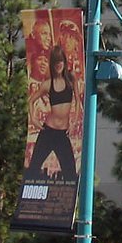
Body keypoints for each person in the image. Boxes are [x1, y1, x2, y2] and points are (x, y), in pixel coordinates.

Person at [27, 44, 79, 181]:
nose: (58, 65)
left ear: (64, 62)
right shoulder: (48, 84)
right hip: (48, 131)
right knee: (34, 167)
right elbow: (31, 101)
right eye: (55, 62)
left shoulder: (71, 79)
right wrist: (33, 119)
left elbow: (78, 101)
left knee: (70, 172)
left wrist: (73, 123)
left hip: (63, 133)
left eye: (61, 61)